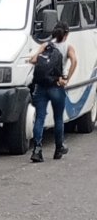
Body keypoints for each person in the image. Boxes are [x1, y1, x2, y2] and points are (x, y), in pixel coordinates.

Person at [29, 21, 77, 163]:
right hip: (57, 86)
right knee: (58, 119)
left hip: (41, 87)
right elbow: (74, 61)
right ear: (66, 34)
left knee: (39, 118)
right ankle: (58, 148)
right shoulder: (68, 47)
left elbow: (33, 60)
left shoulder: (45, 45)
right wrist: (66, 78)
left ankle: (37, 150)